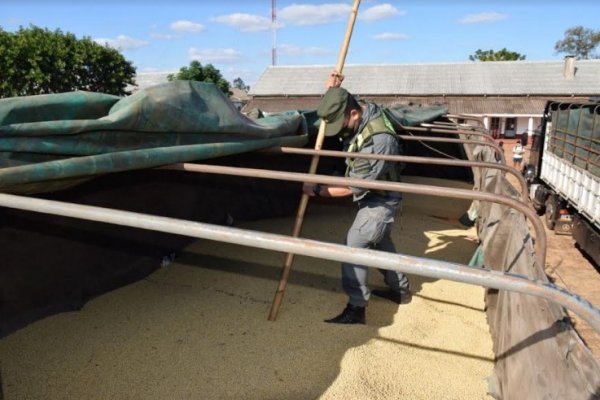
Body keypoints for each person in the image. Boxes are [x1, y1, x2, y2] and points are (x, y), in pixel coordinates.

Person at [303, 72, 411, 325]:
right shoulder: (358, 108)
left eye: (340, 124)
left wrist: (317, 190)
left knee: (355, 245)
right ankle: (401, 291)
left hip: (381, 198)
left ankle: (356, 308)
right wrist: (333, 90)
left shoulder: (380, 140)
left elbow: (354, 186)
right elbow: (343, 100)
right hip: (374, 191)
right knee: (381, 244)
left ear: (354, 114)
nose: (338, 131)